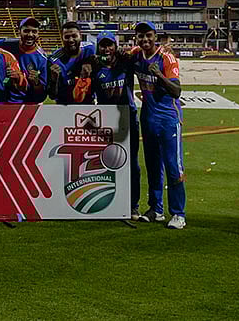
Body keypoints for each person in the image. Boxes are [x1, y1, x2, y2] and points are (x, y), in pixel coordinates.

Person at [72, 31, 143, 220]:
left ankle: (133, 205)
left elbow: (141, 53)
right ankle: (107, 203)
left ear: (115, 46)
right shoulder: (94, 66)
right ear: (98, 48)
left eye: (110, 44)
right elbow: (78, 97)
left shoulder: (125, 62)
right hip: (105, 122)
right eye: (103, 45)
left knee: (131, 164)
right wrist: (83, 77)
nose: (106, 49)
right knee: (106, 163)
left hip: (128, 119)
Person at [130, 21, 186, 229]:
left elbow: (176, 91)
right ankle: (156, 209)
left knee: (173, 167)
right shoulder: (136, 54)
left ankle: (179, 213)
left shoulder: (167, 58)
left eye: (149, 35)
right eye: (141, 36)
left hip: (169, 119)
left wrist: (159, 75)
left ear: (156, 36)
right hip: (148, 117)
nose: (145, 40)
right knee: (153, 165)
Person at [0, 17, 48, 103]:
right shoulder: (6, 44)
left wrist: (36, 82)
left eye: (34, 31)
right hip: (2, 102)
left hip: (26, 104)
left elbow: (41, 95)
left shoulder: (42, 59)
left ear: (38, 34)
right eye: (26, 31)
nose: (30, 34)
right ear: (19, 32)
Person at [47, 22, 96, 105]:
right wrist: (54, 80)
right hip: (65, 107)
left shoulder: (90, 49)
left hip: (88, 106)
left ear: (80, 36)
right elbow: (52, 95)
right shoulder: (54, 60)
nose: (71, 40)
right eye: (67, 37)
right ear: (62, 38)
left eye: (74, 36)